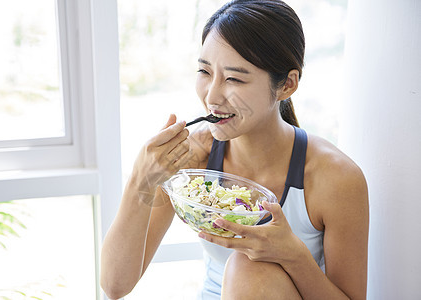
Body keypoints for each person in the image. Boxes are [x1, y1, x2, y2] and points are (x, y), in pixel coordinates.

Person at [100, 0, 369, 299]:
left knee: (248, 267)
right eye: (204, 71)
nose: (212, 96)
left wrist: (293, 255)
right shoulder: (190, 159)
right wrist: (142, 177)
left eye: (234, 78)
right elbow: (115, 285)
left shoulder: (335, 178)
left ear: (287, 85)